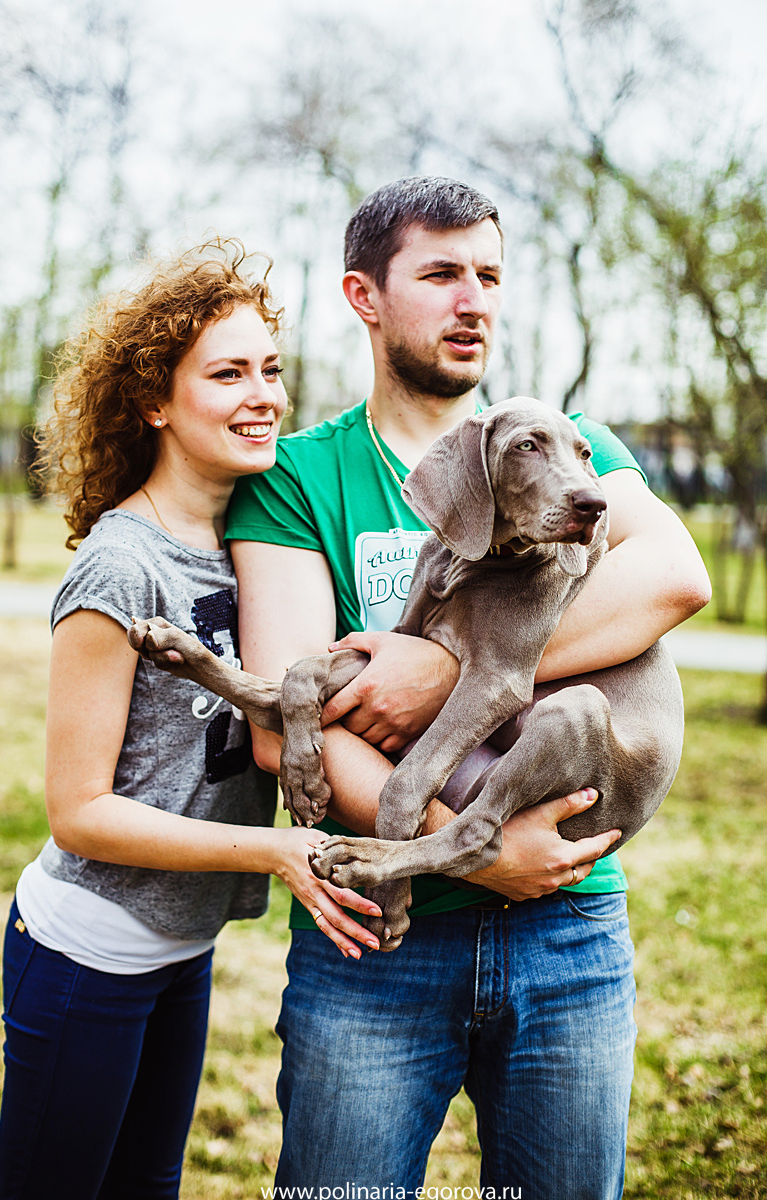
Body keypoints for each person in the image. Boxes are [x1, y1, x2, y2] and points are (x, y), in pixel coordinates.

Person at [225, 180, 711, 1199]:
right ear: (362, 295)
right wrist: (475, 850)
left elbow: (670, 579)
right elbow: (284, 726)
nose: (473, 301)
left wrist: (444, 668)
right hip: (376, 942)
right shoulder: (298, 477)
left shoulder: (569, 446)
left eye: (488, 275)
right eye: (441, 274)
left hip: (567, 925)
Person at [0, 240, 381, 1200]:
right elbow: (77, 812)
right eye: (228, 374)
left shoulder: (261, 543)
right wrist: (274, 854)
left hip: (180, 950)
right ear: (154, 402)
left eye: (272, 370)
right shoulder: (123, 567)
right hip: (87, 948)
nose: (264, 396)